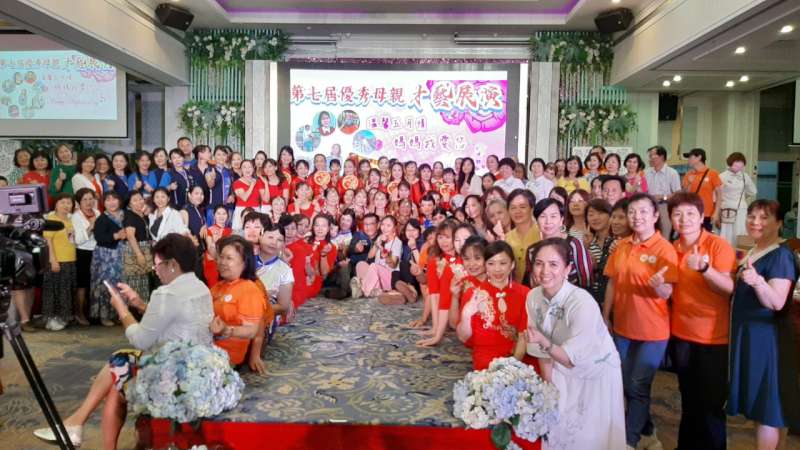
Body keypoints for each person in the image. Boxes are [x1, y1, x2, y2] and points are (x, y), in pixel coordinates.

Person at [33, 234, 214, 449]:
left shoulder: (166, 293)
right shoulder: (200, 287)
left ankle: (76, 425)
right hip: (196, 368)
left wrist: (122, 310)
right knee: (117, 377)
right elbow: (171, 319)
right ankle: (76, 425)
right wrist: (139, 303)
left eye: (157, 265)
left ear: (173, 264)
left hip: (173, 374)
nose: (155, 270)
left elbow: (141, 340)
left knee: (118, 362)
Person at [524, 238, 625, 450]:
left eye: (553, 264)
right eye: (539, 263)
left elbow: (572, 359)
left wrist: (545, 343)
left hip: (595, 370)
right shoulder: (533, 297)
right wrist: (548, 387)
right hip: (560, 365)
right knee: (558, 424)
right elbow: (538, 348)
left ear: (568, 269)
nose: (544, 271)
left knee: (589, 434)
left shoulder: (581, 302)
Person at [602, 193, 678, 450]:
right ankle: (647, 431)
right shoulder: (622, 245)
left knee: (638, 385)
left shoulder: (664, 248)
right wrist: (605, 316)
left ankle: (630, 440)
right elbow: (612, 282)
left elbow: (668, 293)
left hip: (652, 331)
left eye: (644, 211)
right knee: (623, 383)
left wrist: (659, 286)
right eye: (632, 212)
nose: (637, 217)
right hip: (622, 327)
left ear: (655, 215)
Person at [727, 200, 800, 449]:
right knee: (769, 405)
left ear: (779, 223)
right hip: (752, 336)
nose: (755, 222)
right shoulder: (756, 249)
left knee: (767, 409)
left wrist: (758, 282)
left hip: (767, 340)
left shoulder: (781, 255)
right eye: (751, 216)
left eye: (763, 217)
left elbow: (777, 302)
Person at [668, 192, 736, 450]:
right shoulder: (671, 248)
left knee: (711, 406)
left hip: (712, 338)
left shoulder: (718, 245)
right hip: (681, 335)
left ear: (701, 217)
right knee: (689, 401)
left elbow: (729, 288)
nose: (684, 219)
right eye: (677, 214)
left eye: (690, 214)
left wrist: (706, 269)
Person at [456, 241, 530, 370]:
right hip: (486, 360)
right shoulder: (473, 294)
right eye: (491, 263)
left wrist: (513, 366)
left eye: (503, 263)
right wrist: (466, 314)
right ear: (485, 265)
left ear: (512, 265)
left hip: (519, 357)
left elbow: (523, 336)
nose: (497, 269)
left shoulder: (525, 293)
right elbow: (463, 338)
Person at [209, 235, 270, 367]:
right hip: (209, 344)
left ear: (244, 263)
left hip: (226, 354)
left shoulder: (249, 289)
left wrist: (226, 330)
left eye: (229, 258)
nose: (222, 262)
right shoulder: (219, 286)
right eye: (221, 257)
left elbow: (252, 330)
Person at [529, 198, 593, 290]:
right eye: (543, 216)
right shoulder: (532, 250)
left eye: (553, 216)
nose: (548, 221)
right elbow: (533, 284)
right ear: (536, 221)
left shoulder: (574, 244)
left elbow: (586, 279)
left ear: (561, 219)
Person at [90, 192, 129, 327]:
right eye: (108, 200)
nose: (111, 203)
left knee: (121, 285)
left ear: (119, 201)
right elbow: (99, 238)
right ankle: (104, 315)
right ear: (104, 203)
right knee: (107, 286)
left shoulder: (126, 215)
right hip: (106, 257)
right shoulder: (101, 218)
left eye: (114, 199)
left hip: (122, 254)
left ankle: (119, 314)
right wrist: (116, 236)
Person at [41, 193, 77, 331]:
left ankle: (63, 317)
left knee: (66, 292)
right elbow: (47, 242)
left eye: (69, 203)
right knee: (54, 291)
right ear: (55, 205)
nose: (66, 205)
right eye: (62, 202)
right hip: (57, 261)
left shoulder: (69, 219)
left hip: (70, 260)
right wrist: (53, 260)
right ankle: (52, 319)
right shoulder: (51, 220)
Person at [353, 215, 403, 298]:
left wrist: (385, 254)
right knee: (360, 264)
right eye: (383, 224)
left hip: (389, 278)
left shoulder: (397, 242)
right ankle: (373, 290)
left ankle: (363, 290)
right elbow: (370, 256)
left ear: (394, 228)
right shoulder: (380, 238)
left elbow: (393, 265)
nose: (385, 228)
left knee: (374, 266)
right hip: (377, 276)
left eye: (388, 226)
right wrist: (377, 244)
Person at [71, 188, 99, 326]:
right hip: (82, 253)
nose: (89, 202)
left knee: (93, 284)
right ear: (79, 202)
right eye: (85, 199)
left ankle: (92, 313)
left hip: (97, 252)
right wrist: (91, 226)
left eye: (91, 199)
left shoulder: (97, 212)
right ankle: (79, 313)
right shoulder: (76, 216)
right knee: (82, 285)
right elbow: (78, 240)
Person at [718, 152, 757, 246]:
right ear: (730, 163)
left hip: (741, 209)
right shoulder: (722, 176)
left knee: (740, 233)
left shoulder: (745, 176)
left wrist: (742, 197)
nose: (738, 168)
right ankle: (726, 252)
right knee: (727, 233)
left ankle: (740, 252)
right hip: (726, 209)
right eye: (736, 165)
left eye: (741, 166)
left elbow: (753, 191)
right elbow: (716, 195)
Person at [122, 191, 153, 302]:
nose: (139, 202)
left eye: (140, 199)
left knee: (143, 281)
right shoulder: (129, 216)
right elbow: (130, 236)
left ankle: (142, 307)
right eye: (135, 200)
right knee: (134, 282)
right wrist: (139, 254)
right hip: (134, 251)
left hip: (145, 249)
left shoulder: (143, 214)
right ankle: (133, 309)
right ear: (129, 204)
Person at [504, 189, 541, 283]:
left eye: (522, 207)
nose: (517, 211)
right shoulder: (507, 238)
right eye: (513, 208)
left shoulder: (542, 233)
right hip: (516, 288)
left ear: (532, 209)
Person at [681, 148, 722, 231]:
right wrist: (689, 183)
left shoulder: (712, 173)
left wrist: (716, 213)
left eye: (690, 157)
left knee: (705, 236)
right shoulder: (688, 174)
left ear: (699, 157)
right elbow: (685, 195)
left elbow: (719, 195)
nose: (688, 160)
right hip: (690, 212)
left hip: (707, 214)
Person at [644, 145, 681, 237]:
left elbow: (677, 193)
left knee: (665, 234)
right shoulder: (646, 172)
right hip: (649, 207)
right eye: (649, 156)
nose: (650, 158)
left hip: (665, 206)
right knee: (648, 234)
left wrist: (663, 197)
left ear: (661, 157)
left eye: (652, 155)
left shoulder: (672, 173)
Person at [584, 199, 615, 306]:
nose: (595, 218)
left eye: (600, 213)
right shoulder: (587, 243)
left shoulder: (617, 242)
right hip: (592, 299)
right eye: (591, 214)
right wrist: (585, 248)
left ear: (610, 215)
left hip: (614, 300)